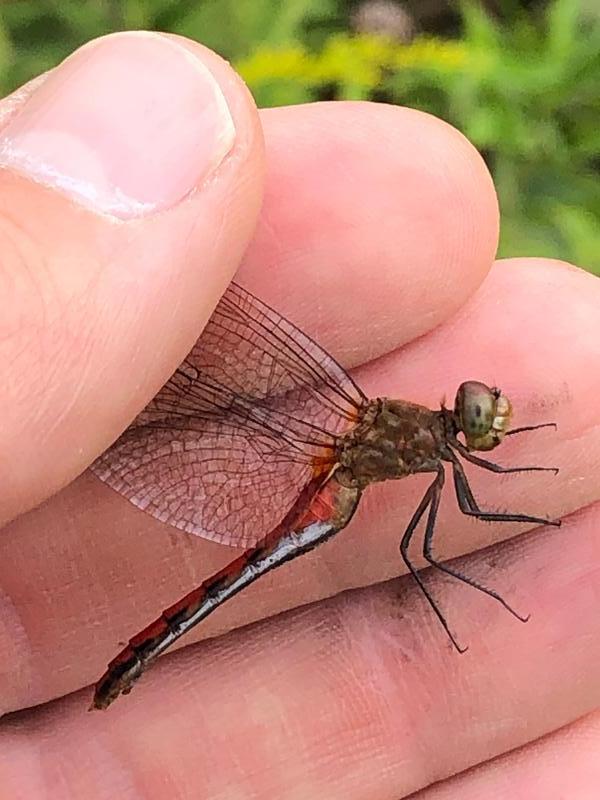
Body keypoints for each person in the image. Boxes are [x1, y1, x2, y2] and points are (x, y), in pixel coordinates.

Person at [1, 31, 598, 798]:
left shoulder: (416, 431)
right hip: (326, 484)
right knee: (419, 553)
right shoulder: (418, 439)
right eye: (481, 418)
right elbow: (457, 524)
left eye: (482, 419)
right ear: (457, 425)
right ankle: (137, 655)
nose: (483, 424)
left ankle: (131, 660)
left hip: (330, 480)